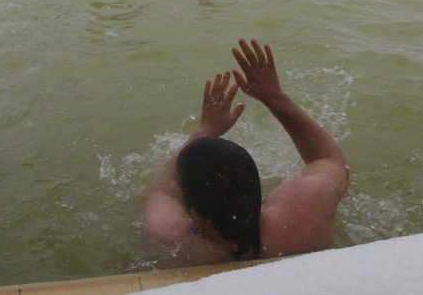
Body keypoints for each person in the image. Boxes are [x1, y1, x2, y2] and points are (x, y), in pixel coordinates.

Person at [142, 38, 350, 267]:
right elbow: (331, 160)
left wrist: (205, 130)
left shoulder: (172, 243)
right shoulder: (305, 214)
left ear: (196, 215)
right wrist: (275, 97)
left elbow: (159, 191)